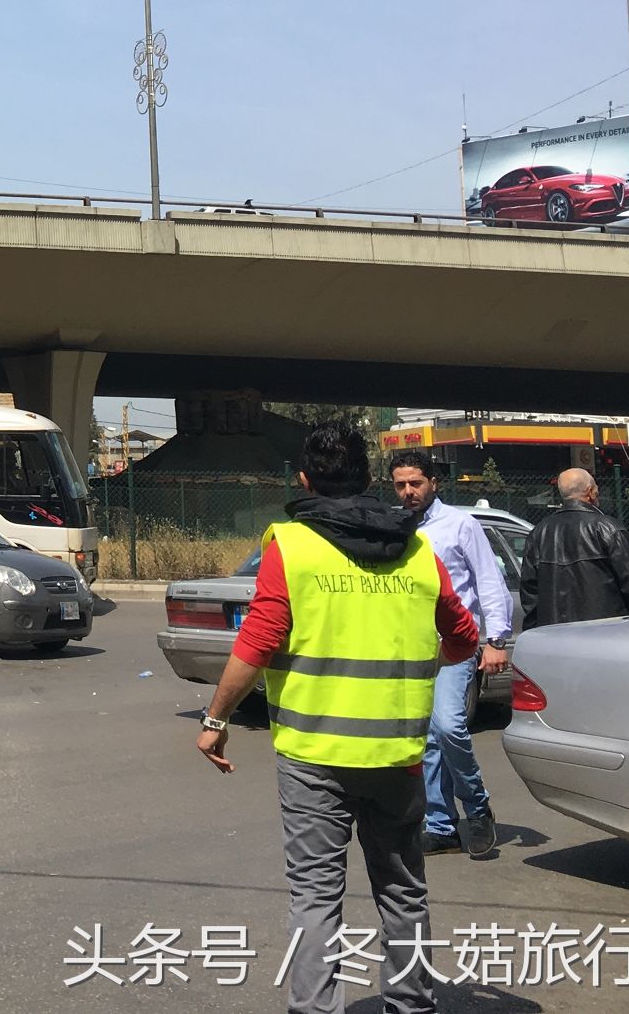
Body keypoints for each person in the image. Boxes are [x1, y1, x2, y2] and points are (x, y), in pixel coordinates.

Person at [194, 427, 479, 1014]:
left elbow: (259, 639)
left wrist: (215, 718)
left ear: (304, 480)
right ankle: (412, 1004)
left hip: (313, 757)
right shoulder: (417, 549)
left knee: (316, 898)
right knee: (403, 891)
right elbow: (462, 637)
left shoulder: (292, 546)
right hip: (397, 755)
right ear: (371, 480)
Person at [390, 457, 512, 859]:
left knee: (448, 727)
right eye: (401, 485)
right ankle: (441, 825)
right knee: (425, 738)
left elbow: (489, 581)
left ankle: (477, 809)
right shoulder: (396, 526)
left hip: (455, 643)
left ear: (434, 483)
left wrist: (496, 640)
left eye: (416, 483)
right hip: (412, 647)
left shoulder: (461, 525)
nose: (409, 492)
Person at [519, 466, 629, 630]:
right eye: (596, 488)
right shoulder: (607, 528)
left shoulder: (538, 533)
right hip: (604, 633)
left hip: (554, 635)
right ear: (590, 492)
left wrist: (536, 632)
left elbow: (530, 593)